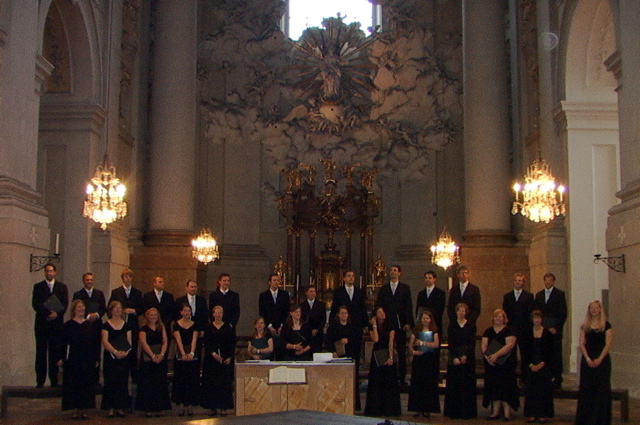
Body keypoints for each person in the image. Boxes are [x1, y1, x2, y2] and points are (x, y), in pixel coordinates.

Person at [330, 270, 368, 410]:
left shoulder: (359, 292)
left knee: (354, 365)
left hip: (355, 332)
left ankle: (355, 402)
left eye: (353, 276)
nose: (351, 278)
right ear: (344, 278)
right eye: (349, 276)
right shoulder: (339, 292)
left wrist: (365, 325)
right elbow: (334, 309)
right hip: (341, 331)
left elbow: (363, 310)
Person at [575, 300, 613, 425]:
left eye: (596, 307)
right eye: (591, 308)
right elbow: (581, 343)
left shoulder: (606, 325)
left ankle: (601, 420)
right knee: (587, 390)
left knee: (601, 390)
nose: (593, 310)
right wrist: (587, 359)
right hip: (587, 360)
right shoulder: (584, 326)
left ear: (600, 309)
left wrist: (599, 359)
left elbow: (608, 344)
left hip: (602, 361)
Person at [375, 264, 414, 387]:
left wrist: (408, 322)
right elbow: (379, 305)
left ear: (399, 273)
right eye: (391, 270)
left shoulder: (405, 288)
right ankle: (386, 379)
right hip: (387, 325)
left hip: (400, 324)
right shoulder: (384, 289)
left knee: (401, 352)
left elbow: (408, 306)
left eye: (395, 270)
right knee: (386, 350)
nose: (392, 272)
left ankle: (401, 379)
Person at [32, 262, 68, 388]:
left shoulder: (62, 287)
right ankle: (40, 381)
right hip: (42, 324)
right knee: (41, 352)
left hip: (56, 325)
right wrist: (48, 313)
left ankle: (54, 380)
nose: (49, 273)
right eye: (47, 271)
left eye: (51, 271)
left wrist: (57, 314)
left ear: (55, 272)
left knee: (55, 352)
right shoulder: (38, 286)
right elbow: (36, 304)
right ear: (45, 273)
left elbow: (65, 303)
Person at [60, 300, 97, 419]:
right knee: (74, 382)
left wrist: (97, 358)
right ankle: (75, 408)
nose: (81, 309)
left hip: (87, 357)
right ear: (74, 309)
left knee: (86, 383)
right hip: (74, 357)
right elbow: (62, 343)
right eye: (79, 307)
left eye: (83, 307)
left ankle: (84, 408)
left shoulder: (90, 325)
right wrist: (61, 358)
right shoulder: (68, 325)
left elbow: (95, 343)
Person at [482, 308, 519, 421]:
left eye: (500, 316)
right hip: (492, 364)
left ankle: (507, 413)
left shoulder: (509, 330)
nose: (498, 318)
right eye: (496, 316)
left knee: (506, 387)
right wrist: (488, 358)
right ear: (493, 318)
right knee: (494, 387)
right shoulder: (488, 331)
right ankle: (495, 412)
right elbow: (484, 345)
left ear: (504, 318)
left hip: (506, 364)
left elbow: (510, 345)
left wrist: (496, 355)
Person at [364, 306, 401, 417]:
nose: (382, 314)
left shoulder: (390, 325)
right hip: (377, 355)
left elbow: (391, 342)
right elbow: (376, 339)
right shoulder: (372, 327)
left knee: (389, 382)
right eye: (379, 312)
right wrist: (374, 325)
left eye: (383, 311)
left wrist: (390, 358)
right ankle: (376, 409)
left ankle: (389, 409)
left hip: (387, 353)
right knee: (376, 382)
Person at [108, 268, 143, 383]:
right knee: (120, 346)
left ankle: (134, 376)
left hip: (132, 325)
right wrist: (122, 310)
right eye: (126, 277)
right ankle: (120, 374)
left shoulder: (137, 293)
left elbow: (142, 309)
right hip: (119, 325)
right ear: (122, 278)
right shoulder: (116, 292)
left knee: (132, 350)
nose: (128, 279)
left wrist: (134, 310)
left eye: (130, 277)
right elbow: (110, 307)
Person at [72, 272, 106, 387]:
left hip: (96, 327)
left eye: (91, 280)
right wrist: (87, 316)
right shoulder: (78, 294)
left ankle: (95, 378)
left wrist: (96, 315)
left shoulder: (99, 294)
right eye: (87, 280)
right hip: (82, 327)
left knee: (95, 351)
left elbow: (103, 309)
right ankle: (82, 377)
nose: (89, 282)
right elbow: (75, 308)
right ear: (83, 281)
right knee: (83, 351)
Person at [443, 302, 477, 419]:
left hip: (467, 358)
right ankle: (454, 411)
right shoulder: (452, 325)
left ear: (466, 313)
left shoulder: (471, 325)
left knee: (467, 385)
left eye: (463, 311)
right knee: (454, 385)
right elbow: (451, 343)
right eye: (459, 310)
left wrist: (465, 356)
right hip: (455, 358)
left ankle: (467, 412)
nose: (461, 313)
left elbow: (472, 343)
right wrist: (455, 357)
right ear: (456, 312)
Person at [201, 305, 236, 417]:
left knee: (224, 384)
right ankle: (212, 407)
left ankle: (224, 407)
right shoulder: (208, 327)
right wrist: (214, 354)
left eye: (220, 312)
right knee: (212, 383)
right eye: (216, 312)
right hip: (212, 359)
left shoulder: (228, 327)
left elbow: (232, 343)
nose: (219, 315)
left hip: (225, 359)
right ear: (213, 314)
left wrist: (230, 357)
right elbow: (207, 343)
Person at [136, 308, 171, 417]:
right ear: (147, 316)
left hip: (160, 358)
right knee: (148, 384)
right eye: (151, 315)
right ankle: (148, 409)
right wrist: (152, 355)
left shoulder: (161, 327)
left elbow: (165, 341)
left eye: (155, 315)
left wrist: (161, 355)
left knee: (159, 383)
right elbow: (143, 342)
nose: (153, 317)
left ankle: (159, 408)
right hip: (148, 360)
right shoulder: (143, 328)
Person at [534, 272, 567, 388]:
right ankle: (546, 376)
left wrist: (556, 328)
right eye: (546, 280)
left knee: (556, 354)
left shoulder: (560, 294)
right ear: (544, 281)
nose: (548, 282)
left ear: (553, 281)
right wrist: (541, 326)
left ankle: (557, 378)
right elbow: (537, 313)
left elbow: (563, 313)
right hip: (543, 329)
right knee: (544, 353)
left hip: (554, 331)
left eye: (550, 280)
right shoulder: (538, 295)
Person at [101, 301, 132, 418]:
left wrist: (124, 353)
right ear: (111, 310)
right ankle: (110, 408)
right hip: (111, 358)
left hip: (123, 358)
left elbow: (129, 341)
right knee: (110, 382)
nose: (118, 310)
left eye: (120, 308)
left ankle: (120, 407)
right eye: (116, 308)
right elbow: (105, 341)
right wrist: (114, 352)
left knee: (122, 382)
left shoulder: (127, 325)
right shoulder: (106, 325)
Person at [407, 310, 441, 419]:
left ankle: (428, 409)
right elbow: (410, 345)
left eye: (427, 318)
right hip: (419, 359)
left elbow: (436, 344)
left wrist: (423, 343)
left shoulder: (434, 331)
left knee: (428, 384)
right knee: (418, 383)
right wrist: (413, 352)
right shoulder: (416, 330)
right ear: (420, 319)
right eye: (423, 318)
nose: (425, 320)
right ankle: (417, 408)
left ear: (430, 319)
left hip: (429, 360)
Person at [522, 310, 554, 423]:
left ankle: (542, 414)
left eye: (539, 318)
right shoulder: (527, 333)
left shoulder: (547, 333)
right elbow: (525, 351)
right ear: (532, 319)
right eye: (535, 318)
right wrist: (531, 365)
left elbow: (550, 352)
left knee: (543, 390)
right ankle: (531, 414)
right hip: (530, 365)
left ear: (542, 319)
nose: (537, 320)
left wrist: (541, 364)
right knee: (531, 390)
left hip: (543, 365)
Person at [502, 272, 534, 379]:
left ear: (523, 283)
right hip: (511, 329)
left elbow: (530, 313)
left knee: (525, 354)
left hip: (524, 330)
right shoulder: (507, 296)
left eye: (520, 280)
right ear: (513, 282)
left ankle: (525, 378)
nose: (518, 282)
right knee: (511, 354)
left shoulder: (529, 296)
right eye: (516, 280)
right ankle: (511, 377)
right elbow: (505, 313)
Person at [172, 303, 200, 416]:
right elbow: (178, 340)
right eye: (185, 310)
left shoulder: (195, 324)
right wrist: (183, 354)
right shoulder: (176, 324)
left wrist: (191, 353)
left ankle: (190, 406)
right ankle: (182, 406)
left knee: (192, 381)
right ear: (181, 312)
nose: (187, 313)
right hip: (181, 354)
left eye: (189, 310)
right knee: (181, 381)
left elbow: (194, 340)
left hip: (192, 355)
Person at [258, 274, 290, 360]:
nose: (276, 282)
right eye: (274, 280)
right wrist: (269, 326)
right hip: (268, 327)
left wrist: (281, 326)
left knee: (281, 351)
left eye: (278, 280)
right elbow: (262, 312)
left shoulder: (284, 294)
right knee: (270, 352)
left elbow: (286, 311)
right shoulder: (263, 295)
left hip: (281, 327)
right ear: (269, 282)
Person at [415, 270, 446, 338]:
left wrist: (430, 318)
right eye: (426, 278)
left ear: (434, 279)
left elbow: (440, 309)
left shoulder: (440, 293)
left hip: (435, 322)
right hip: (423, 324)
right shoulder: (421, 293)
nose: (427, 280)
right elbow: (418, 308)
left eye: (430, 278)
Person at [300, 285, 326, 353]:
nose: (313, 293)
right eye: (311, 291)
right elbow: (301, 319)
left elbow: (323, 319)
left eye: (314, 291)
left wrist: (317, 329)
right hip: (306, 333)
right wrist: (309, 330)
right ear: (306, 293)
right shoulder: (302, 305)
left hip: (318, 333)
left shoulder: (321, 305)